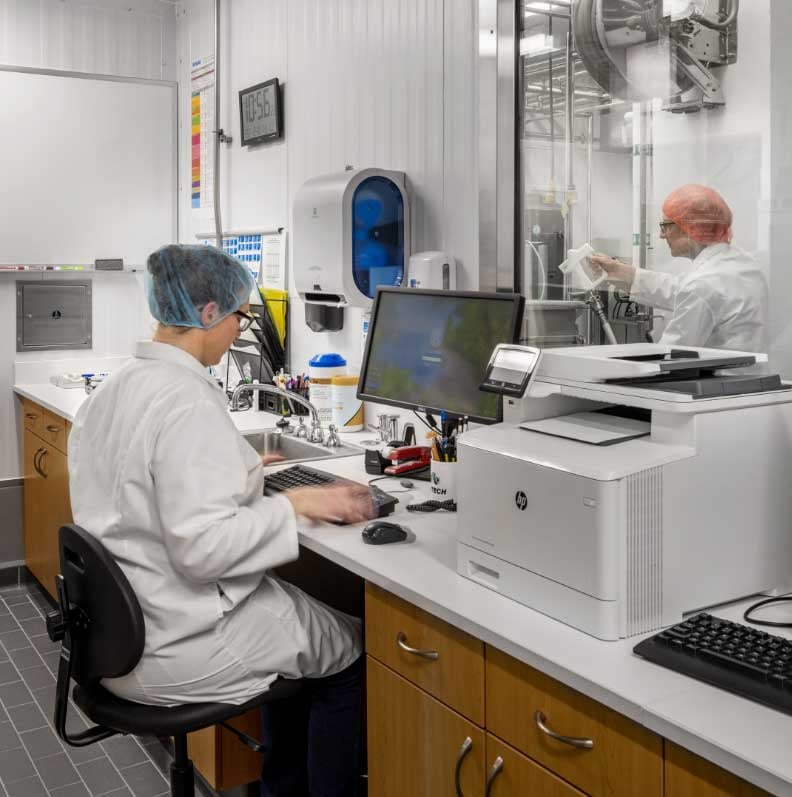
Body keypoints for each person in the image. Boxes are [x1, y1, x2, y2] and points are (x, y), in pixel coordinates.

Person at [68, 244, 375, 797]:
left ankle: (282, 787)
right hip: (178, 638)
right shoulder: (185, 400)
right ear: (209, 313)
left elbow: (135, 489)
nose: (241, 329)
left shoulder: (113, 390)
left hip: (118, 634)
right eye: (241, 316)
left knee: (304, 631)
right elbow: (203, 550)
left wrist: (241, 473)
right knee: (350, 651)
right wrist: (298, 504)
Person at [590, 184, 768, 351]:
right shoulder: (743, 265)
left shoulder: (703, 284)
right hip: (750, 377)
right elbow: (677, 288)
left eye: (666, 226)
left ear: (690, 227)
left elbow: (671, 356)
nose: (661, 235)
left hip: (717, 380)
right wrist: (616, 270)